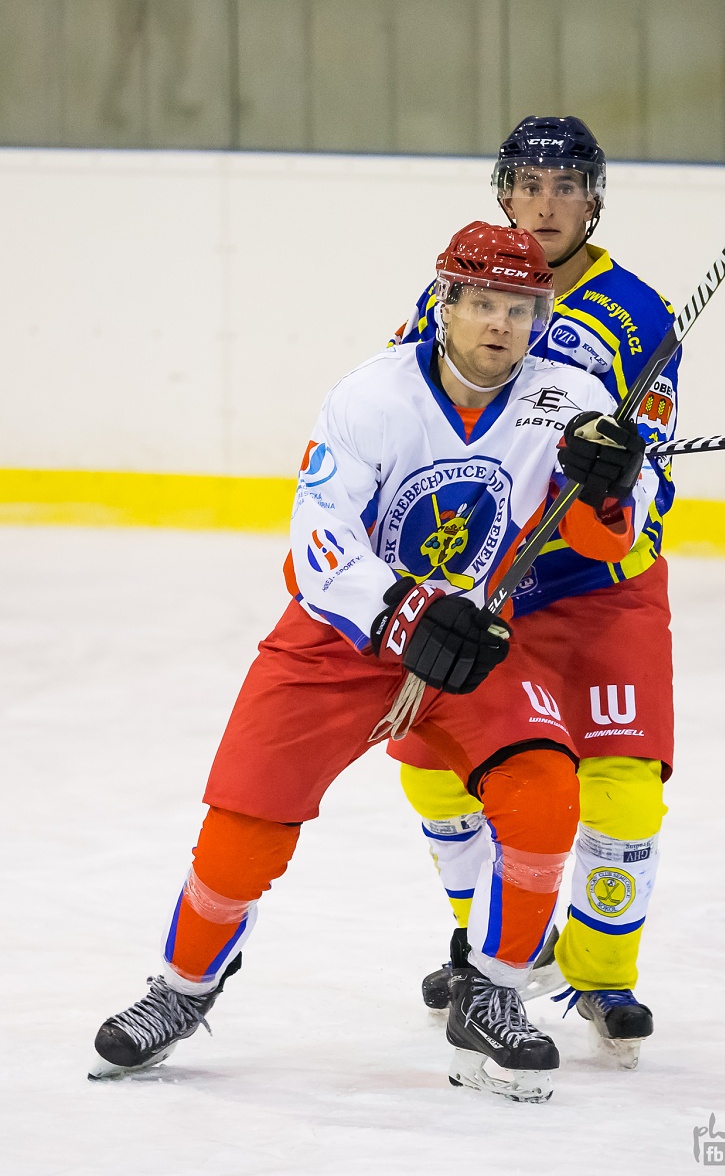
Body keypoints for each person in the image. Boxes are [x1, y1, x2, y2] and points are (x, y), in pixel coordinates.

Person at [88, 222, 650, 1104]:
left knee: (545, 792)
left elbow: (604, 532)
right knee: (242, 830)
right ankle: (182, 989)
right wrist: (405, 613)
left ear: (539, 317)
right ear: (445, 304)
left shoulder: (571, 398)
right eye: (482, 304)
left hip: (470, 643)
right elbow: (320, 544)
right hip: (342, 639)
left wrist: (611, 484)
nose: (499, 324)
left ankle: (492, 992)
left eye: (518, 308)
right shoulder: (371, 396)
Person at [389, 117, 681, 1069]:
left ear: (594, 199)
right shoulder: (462, 288)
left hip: (600, 587)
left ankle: (601, 973)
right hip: (492, 581)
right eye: (529, 184)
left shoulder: (639, 313)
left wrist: (619, 474)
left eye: (566, 187)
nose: (546, 204)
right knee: (435, 768)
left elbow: (652, 473)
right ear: (503, 192)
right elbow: (410, 405)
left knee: (621, 789)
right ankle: (488, 947)